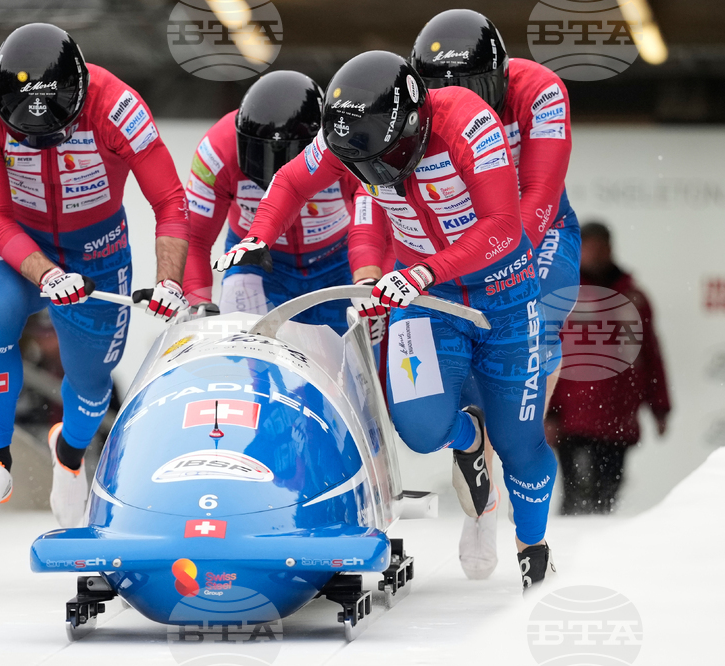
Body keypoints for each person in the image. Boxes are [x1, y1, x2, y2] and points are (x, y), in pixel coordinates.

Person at [217, 51, 557, 589]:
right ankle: (468, 441)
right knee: (420, 430)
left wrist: (426, 270)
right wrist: (259, 234)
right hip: (425, 301)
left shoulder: (468, 122)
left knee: (519, 449)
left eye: (389, 154)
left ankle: (533, 547)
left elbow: (503, 227)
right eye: (362, 163)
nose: (377, 172)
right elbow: (289, 182)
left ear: (416, 122)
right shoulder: (347, 137)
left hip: (504, 299)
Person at [0, 24, 190, 525]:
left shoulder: (120, 107)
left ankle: (69, 455)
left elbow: (169, 201)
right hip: (17, 237)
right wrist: (43, 273)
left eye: (55, 135)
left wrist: (170, 281)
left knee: (91, 376)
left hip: (96, 246)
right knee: (0, 311)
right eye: (27, 137)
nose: (42, 145)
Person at [410, 9, 581, 579]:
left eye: (475, 92)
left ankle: (511, 476)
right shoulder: (410, 115)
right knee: (463, 387)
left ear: (501, 79)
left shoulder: (541, 91)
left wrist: (500, 272)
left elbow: (537, 191)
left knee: (537, 317)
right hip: (453, 246)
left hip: (536, 233)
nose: (462, 109)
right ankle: (481, 489)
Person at [187, 71, 363, 337]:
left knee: (357, 369)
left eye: (288, 156)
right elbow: (195, 239)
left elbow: (381, 225)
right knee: (246, 367)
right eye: (263, 153)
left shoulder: (344, 143)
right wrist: (197, 302)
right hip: (255, 264)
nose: (275, 171)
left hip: (338, 267)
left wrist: (370, 279)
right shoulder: (216, 152)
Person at [547, 222, 671, 514]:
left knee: (606, 500)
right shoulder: (563, 295)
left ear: (610, 248)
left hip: (618, 417)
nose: (595, 254)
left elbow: (650, 355)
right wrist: (548, 412)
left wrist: (660, 407)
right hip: (571, 417)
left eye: (600, 247)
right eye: (589, 248)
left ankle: (599, 556)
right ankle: (567, 555)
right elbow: (546, 356)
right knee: (576, 498)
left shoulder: (634, 298)